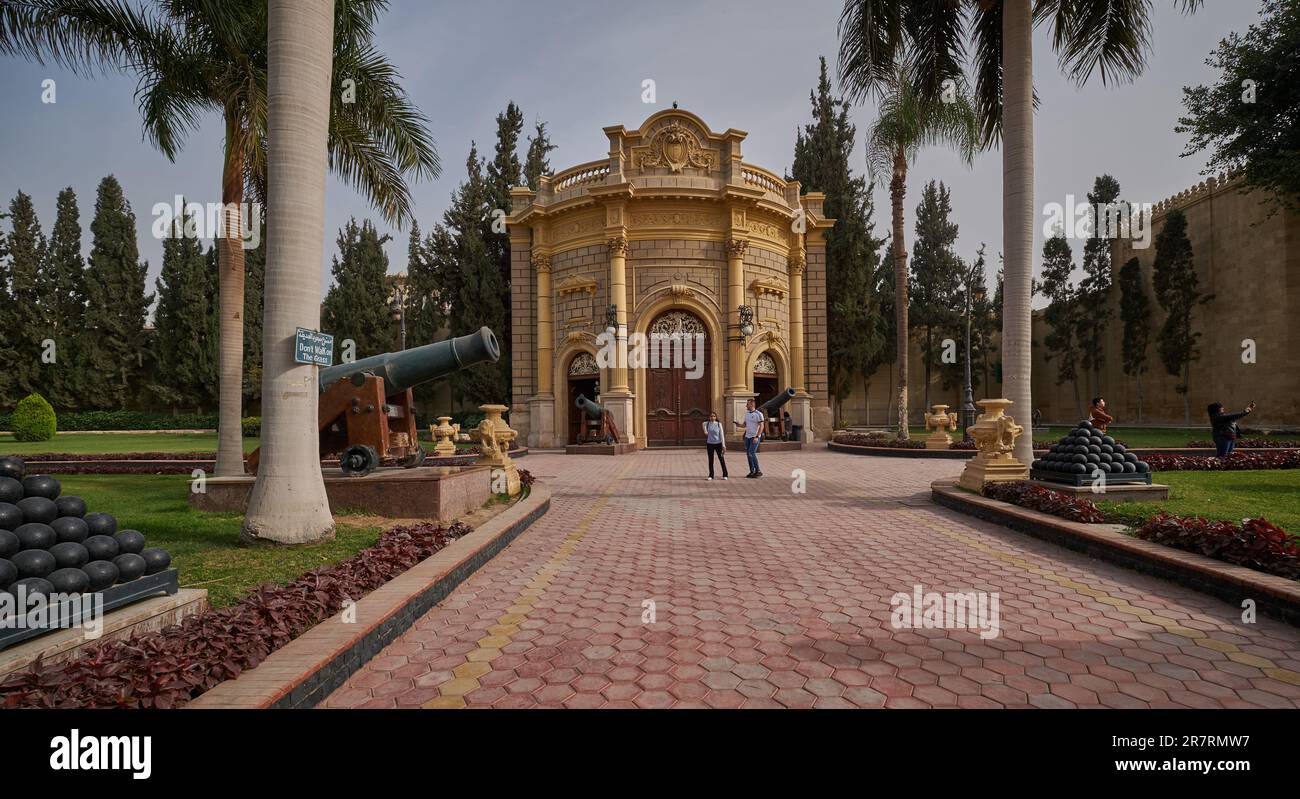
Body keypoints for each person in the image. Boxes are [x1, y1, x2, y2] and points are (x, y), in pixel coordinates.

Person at [733, 398, 765, 478]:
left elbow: (761, 426)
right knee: (748, 454)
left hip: (754, 437)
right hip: (747, 437)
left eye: (747, 404)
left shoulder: (758, 414)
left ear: (752, 404)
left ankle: (758, 471)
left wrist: (757, 436)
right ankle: (752, 471)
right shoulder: (747, 414)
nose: (746, 405)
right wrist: (738, 425)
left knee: (751, 453)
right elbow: (744, 425)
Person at [703, 412, 728, 481]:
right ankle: (711, 475)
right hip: (710, 444)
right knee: (710, 460)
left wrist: (723, 445)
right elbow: (703, 424)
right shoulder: (707, 423)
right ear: (709, 417)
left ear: (716, 417)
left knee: (721, 459)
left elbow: (722, 435)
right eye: (711, 416)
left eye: (714, 416)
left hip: (718, 444)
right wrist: (705, 431)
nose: (712, 417)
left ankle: (725, 474)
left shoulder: (719, 424)